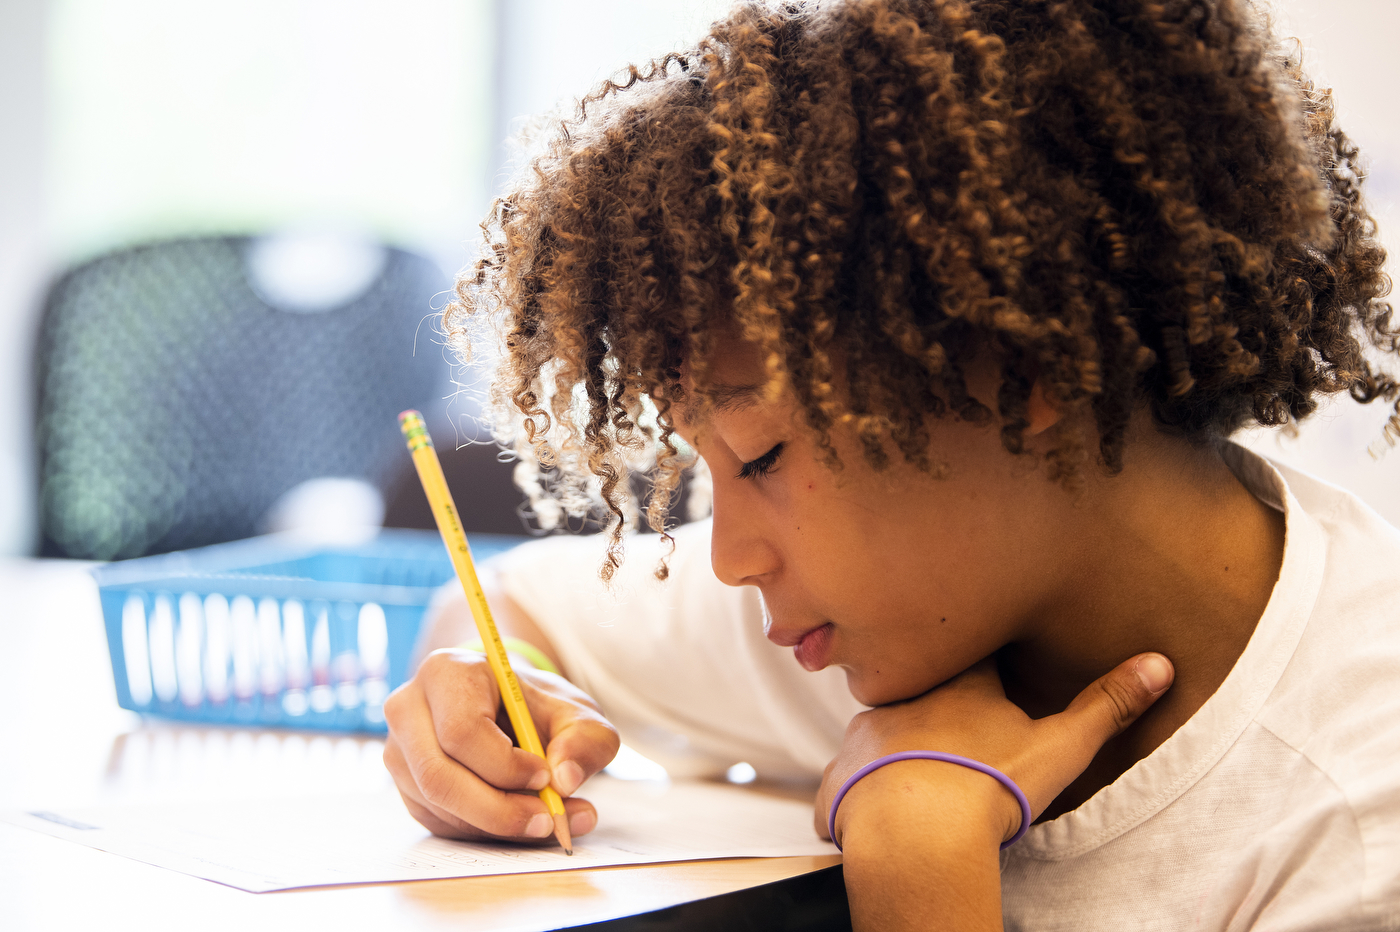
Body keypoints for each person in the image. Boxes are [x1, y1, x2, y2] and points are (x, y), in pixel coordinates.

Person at [381, 1, 1400, 928]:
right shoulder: (902, 604)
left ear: (1025, 365)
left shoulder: (1356, 817)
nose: (730, 556)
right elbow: (515, 603)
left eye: (762, 455)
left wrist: (917, 863)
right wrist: (486, 695)